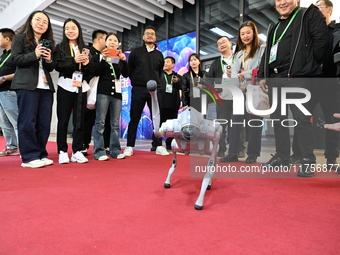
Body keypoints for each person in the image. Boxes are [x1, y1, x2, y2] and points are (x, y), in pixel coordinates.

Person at [258, 0, 328, 177]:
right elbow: (267, 53)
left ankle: (307, 159)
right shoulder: (274, 27)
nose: (282, 2)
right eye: (278, 0)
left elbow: (322, 42)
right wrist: (262, 75)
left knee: (301, 119)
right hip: (275, 78)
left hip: (297, 77)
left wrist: (306, 67)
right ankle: (282, 157)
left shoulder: (307, 14)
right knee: (278, 120)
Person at [290, 0, 340, 170]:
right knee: (301, 119)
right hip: (308, 83)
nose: (316, 11)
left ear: (329, 10)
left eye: (319, 7)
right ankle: (299, 155)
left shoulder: (337, 31)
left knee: (332, 121)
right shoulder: (307, 33)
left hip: (330, 83)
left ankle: (332, 159)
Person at [11, 11, 55, 168]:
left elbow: (50, 67)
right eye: (38, 20)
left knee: (44, 122)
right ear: (30, 21)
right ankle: (29, 157)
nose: (41, 23)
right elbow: (15, 59)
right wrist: (34, 54)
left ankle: (41, 153)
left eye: (45, 22)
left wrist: (49, 60)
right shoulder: (19, 38)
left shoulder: (48, 42)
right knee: (28, 121)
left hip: (45, 87)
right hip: (27, 85)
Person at [220, 21, 265, 164]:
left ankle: (252, 154)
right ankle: (232, 152)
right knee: (234, 123)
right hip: (239, 93)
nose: (245, 36)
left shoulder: (261, 50)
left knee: (254, 123)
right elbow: (233, 75)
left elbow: (262, 70)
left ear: (254, 33)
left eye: (248, 32)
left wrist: (244, 74)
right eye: (242, 33)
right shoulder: (238, 54)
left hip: (255, 91)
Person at [123, 26, 168, 157]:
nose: (150, 36)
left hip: (154, 90)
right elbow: (129, 71)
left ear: (155, 38)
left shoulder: (159, 55)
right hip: (138, 89)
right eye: (147, 34)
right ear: (143, 37)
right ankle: (129, 146)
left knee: (157, 119)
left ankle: (159, 145)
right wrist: (137, 82)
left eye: (152, 34)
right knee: (134, 118)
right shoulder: (136, 52)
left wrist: (157, 87)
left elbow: (159, 73)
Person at [54, 18, 94, 164]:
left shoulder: (86, 48)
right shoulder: (60, 47)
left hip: (81, 87)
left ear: (79, 30)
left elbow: (91, 72)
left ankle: (77, 150)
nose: (70, 31)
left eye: (73, 28)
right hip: (65, 86)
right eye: (67, 28)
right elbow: (57, 66)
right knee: (63, 120)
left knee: (80, 121)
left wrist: (87, 63)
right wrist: (74, 60)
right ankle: (62, 151)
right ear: (64, 31)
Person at [206, 36, 247, 158]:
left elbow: (248, 73)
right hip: (222, 98)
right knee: (221, 124)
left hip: (238, 96)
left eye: (224, 42)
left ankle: (239, 149)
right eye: (219, 44)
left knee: (238, 124)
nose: (222, 44)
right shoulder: (216, 62)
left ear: (230, 43)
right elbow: (208, 79)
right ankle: (221, 148)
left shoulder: (240, 58)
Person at [93, 33, 128, 160]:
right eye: (110, 40)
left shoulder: (119, 58)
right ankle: (99, 151)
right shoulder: (99, 56)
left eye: (115, 40)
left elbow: (126, 74)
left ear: (118, 44)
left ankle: (115, 150)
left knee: (115, 124)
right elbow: (96, 71)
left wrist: (124, 60)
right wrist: (103, 58)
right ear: (106, 42)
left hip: (117, 94)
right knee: (100, 122)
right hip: (103, 92)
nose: (113, 42)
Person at [82, 29, 108, 156]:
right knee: (86, 119)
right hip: (88, 89)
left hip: (103, 90)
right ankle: (83, 145)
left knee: (101, 119)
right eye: (106, 39)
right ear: (99, 39)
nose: (108, 42)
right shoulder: (87, 51)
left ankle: (104, 145)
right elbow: (89, 71)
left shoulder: (107, 54)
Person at [0, 28, 19, 157]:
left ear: (7, 39)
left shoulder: (16, 54)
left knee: (16, 121)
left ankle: (26, 148)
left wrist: (4, 78)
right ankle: (11, 147)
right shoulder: (3, 55)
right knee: (4, 123)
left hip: (9, 91)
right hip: (1, 92)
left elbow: (20, 73)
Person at [160, 56, 182, 150]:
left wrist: (177, 82)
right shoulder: (159, 75)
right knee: (158, 124)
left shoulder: (177, 76)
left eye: (168, 62)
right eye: (164, 62)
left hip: (173, 104)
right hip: (161, 103)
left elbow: (183, 87)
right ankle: (156, 144)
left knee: (172, 126)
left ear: (173, 64)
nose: (165, 63)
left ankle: (169, 144)